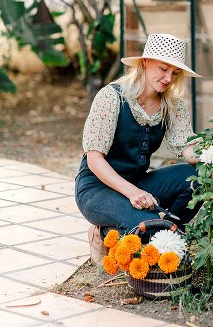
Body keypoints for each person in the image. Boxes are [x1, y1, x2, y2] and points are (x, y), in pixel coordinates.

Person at [75, 33, 202, 264]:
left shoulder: (171, 105)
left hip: (137, 182)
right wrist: (133, 193)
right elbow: (94, 159)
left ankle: (169, 232)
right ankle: (102, 233)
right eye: (163, 69)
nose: (168, 78)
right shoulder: (111, 97)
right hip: (96, 188)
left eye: (174, 73)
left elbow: (188, 150)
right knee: (147, 228)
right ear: (144, 62)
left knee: (198, 178)